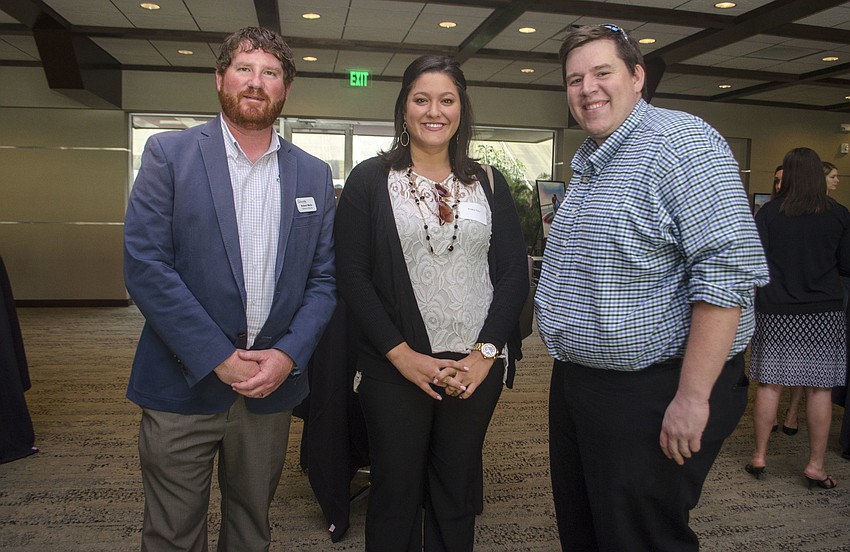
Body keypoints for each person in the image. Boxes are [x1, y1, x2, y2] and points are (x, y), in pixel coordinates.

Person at [535, 24, 769, 551]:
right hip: (581, 383)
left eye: (602, 73)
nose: (587, 89)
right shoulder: (594, 159)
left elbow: (727, 274)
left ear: (637, 77)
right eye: (574, 80)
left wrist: (693, 396)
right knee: (587, 531)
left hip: (653, 389)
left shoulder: (681, 144)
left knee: (641, 538)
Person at [123, 26, 337, 551]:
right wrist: (217, 356)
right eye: (244, 68)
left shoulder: (313, 174)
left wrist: (288, 355)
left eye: (271, 73)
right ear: (220, 78)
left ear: (286, 89)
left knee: (251, 530)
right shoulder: (169, 154)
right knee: (172, 534)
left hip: (269, 387)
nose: (256, 82)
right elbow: (146, 266)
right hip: (182, 383)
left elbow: (323, 280)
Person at [335, 54, 528, 551]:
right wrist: (402, 355)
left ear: (462, 109)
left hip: (474, 367)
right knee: (395, 491)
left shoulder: (488, 181)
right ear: (404, 108)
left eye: (447, 100)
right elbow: (352, 275)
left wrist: (486, 354)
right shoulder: (370, 179)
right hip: (394, 365)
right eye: (421, 99)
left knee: (455, 491)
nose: (434, 111)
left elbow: (513, 273)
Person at [746, 147, 849, 489]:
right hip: (823, 312)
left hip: (776, 309)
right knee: (819, 390)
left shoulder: (769, 213)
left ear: (786, 175)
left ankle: (759, 455)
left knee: (769, 383)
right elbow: (847, 265)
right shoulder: (838, 214)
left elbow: (756, 261)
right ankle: (815, 466)